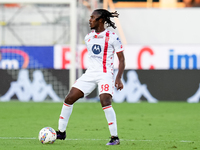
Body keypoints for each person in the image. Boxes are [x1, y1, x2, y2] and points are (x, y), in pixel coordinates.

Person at [56, 9, 125, 145]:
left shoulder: (112, 37)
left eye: (93, 17)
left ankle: (114, 137)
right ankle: (61, 132)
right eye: (90, 17)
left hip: (105, 74)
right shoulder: (88, 37)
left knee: (105, 101)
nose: (90, 19)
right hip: (90, 74)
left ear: (101, 20)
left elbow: (122, 60)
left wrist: (118, 78)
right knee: (69, 98)